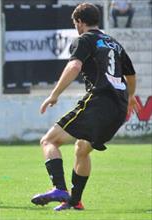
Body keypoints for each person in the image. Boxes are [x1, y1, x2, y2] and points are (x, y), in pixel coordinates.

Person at [31, 3, 139, 211]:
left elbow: (74, 65)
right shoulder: (113, 43)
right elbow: (131, 74)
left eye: (75, 24)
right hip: (119, 107)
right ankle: (74, 201)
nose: (76, 27)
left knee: (49, 141)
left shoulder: (84, 39)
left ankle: (59, 188)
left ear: (79, 22)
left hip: (100, 101)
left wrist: (54, 95)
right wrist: (131, 96)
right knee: (82, 148)